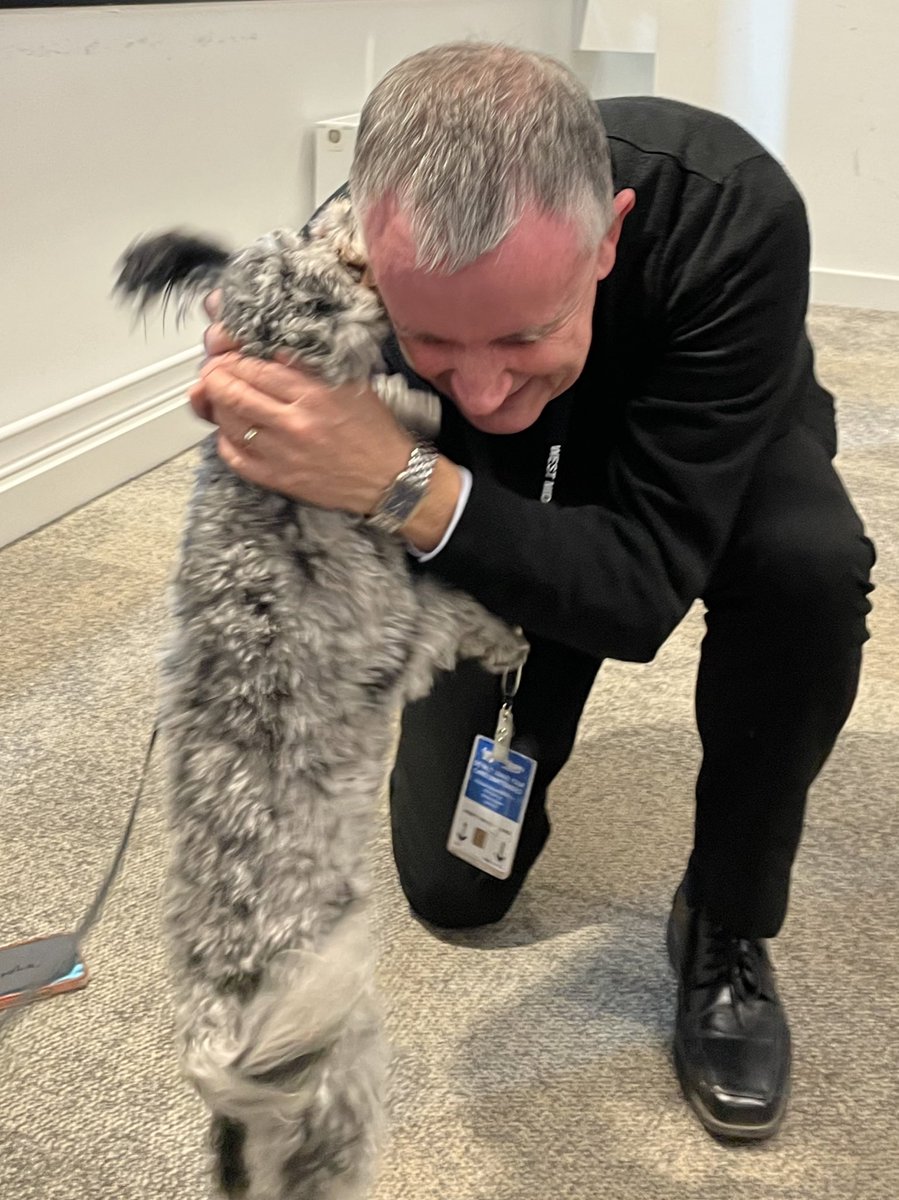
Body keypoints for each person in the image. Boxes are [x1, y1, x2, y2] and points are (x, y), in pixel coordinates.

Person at [189, 42, 876, 1142]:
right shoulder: (335, 262)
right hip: (498, 486)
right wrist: (267, 406)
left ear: (607, 237)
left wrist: (402, 481)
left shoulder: (733, 208)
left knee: (807, 565)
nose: (480, 386)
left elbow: (640, 589)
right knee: (454, 891)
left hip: (701, 432)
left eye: (522, 331)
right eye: (431, 337)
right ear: (372, 258)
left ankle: (726, 920)